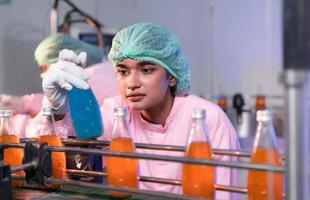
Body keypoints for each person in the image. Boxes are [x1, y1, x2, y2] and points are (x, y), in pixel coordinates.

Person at [41, 23, 240, 199]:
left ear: (172, 76)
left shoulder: (208, 119)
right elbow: (72, 155)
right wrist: (57, 111)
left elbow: (224, 194)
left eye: (146, 70)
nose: (132, 84)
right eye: (123, 71)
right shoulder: (116, 113)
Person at [0, 33, 118, 137]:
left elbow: (59, 120)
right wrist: (25, 102)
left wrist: (16, 119)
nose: (43, 74)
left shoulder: (86, 79)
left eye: (44, 68)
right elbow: (58, 100)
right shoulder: (103, 69)